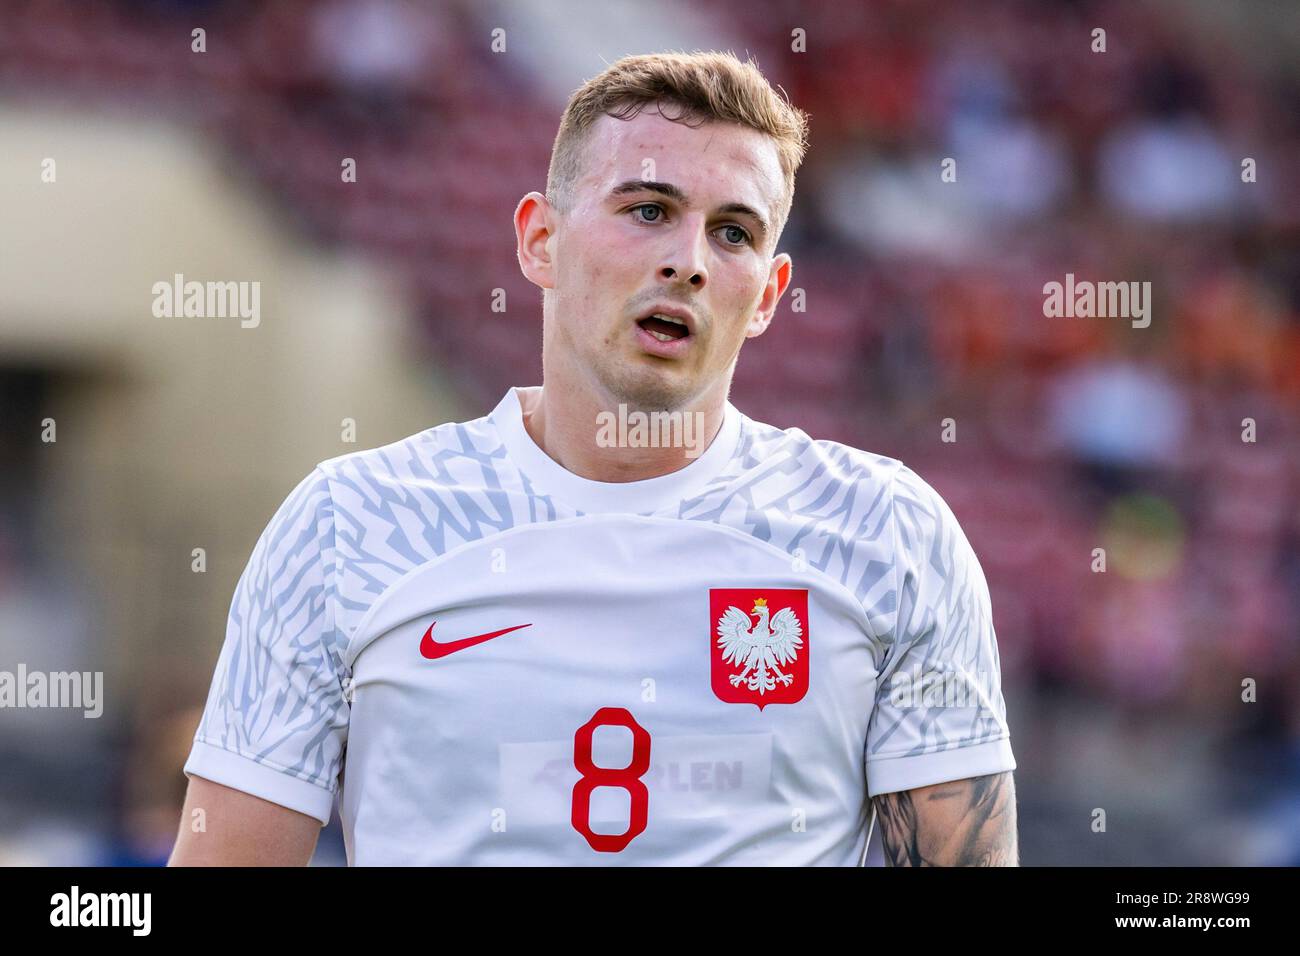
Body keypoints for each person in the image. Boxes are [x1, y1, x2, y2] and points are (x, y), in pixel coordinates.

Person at [169, 51, 1017, 866]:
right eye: (648, 210)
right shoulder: (350, 523)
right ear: (540, 240)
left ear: (766, 293)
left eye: (732, 233)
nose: (686, 262)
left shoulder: (885, 537)